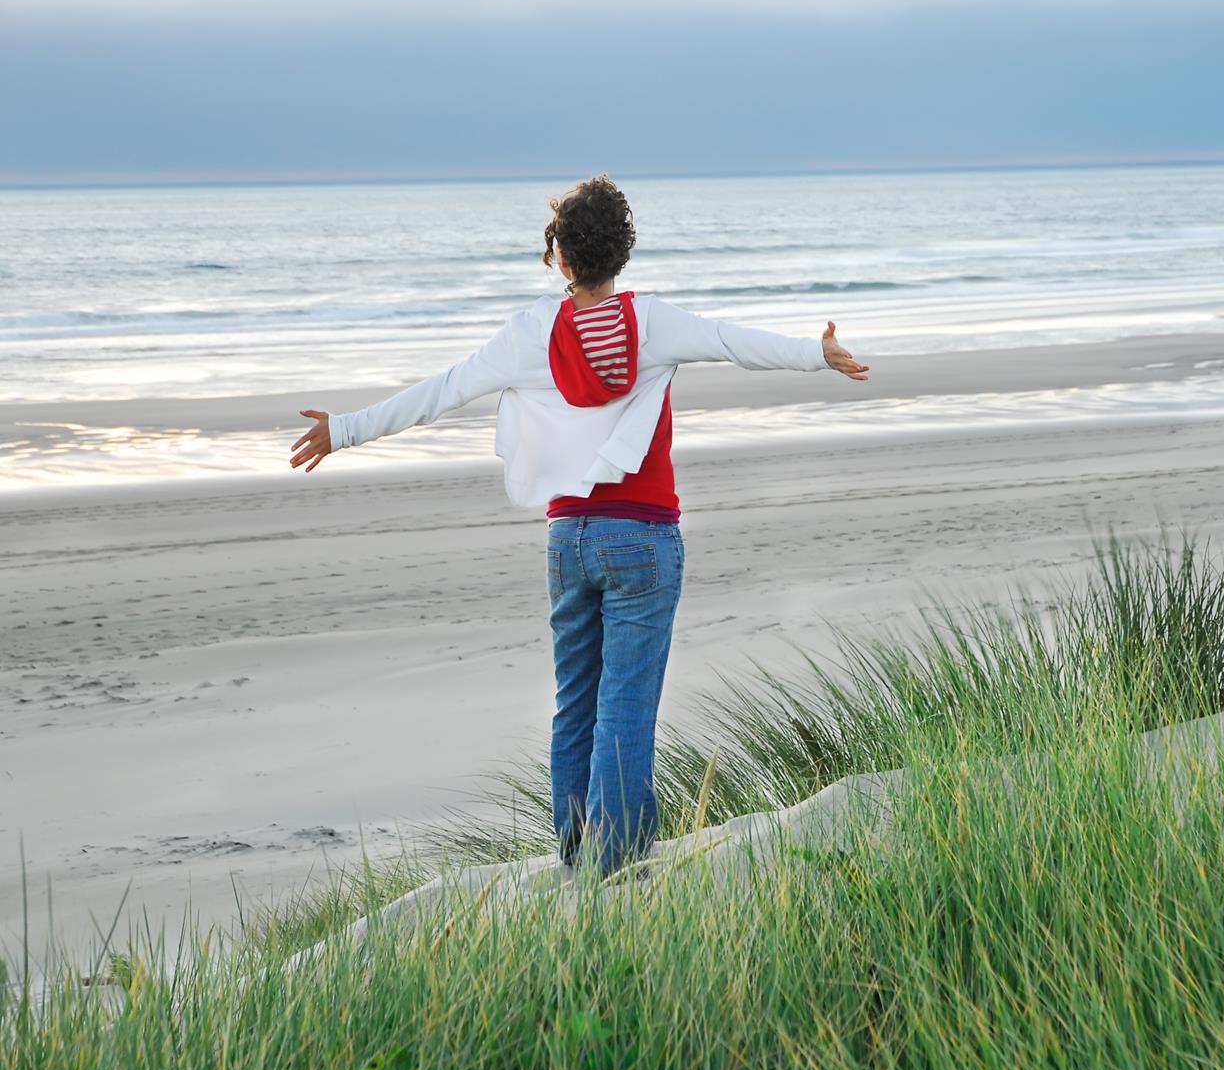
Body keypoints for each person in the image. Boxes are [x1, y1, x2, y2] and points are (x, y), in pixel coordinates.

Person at [289, 175, 868, 878]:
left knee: (576, 703)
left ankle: (573, 857)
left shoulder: (529, 334)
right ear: (620, 255)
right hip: (643, 536)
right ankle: (616, 869)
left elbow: (441, 390)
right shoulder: (651, 322)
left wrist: (343, 430)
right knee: (624, 705)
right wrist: (818, 352)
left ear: (562, 258)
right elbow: (730, 340)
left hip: (569, 541)